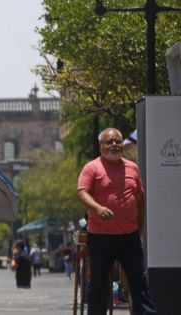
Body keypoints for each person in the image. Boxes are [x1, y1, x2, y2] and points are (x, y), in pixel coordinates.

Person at [77, 127, 157, 315]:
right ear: (101, 146)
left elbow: (139, 200)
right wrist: (97, 208)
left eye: (117, 141)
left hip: (129, 237)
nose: (114, 145)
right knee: (98, 284)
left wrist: (138, 228)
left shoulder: (132, 167)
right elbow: (82, 193)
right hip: (100, 237)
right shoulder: (92, 168)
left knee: (139, 282)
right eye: (109, 142)